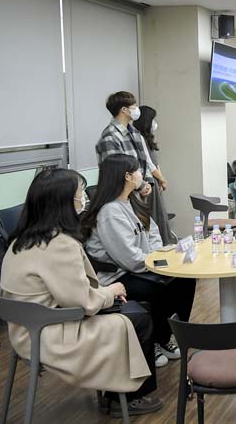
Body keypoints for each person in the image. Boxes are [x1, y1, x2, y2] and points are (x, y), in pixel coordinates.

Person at [0, 168, 162, 417]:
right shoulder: (59, 244)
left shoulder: (20, 241)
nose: (83, 199)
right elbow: (82, 302)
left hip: (25, 329)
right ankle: (127, 398)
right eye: (79, 195)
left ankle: (117, 394)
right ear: (63, 203)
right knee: (139, 316)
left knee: (134, 310)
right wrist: (111, 291)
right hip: (48, 334)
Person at [83, 154, 196, 369]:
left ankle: (163, 337)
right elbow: (128, 259)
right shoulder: (109, 212)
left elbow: (152, 231)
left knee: (185, 281)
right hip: (119, 276)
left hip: (142, 267)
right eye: (137, 171)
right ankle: (152, 341)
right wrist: (157, 261)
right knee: (159, 289)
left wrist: (158, 256)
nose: (141, 176)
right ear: (127, 176)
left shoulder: (130, 201)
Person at [95, 92, 173, 244]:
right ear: (124, 110)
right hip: (123, 195)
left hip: (139, 191)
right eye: (134, 106)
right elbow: (117, 171)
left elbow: (145, 162)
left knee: (150, 234)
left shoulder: (134, 132)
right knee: (133, 239)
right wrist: (141, 185)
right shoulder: (110, 137)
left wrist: (148, 183)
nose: (137, 109)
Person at [133, 105, 173, 244]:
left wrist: (162, 180)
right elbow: (149, 165)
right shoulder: (138, 138)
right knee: (156, 216)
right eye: (153, 119)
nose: (155, 123)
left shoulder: (146, 138)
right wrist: (162, 180)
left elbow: (155, 164)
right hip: (149, 182)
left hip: (155, 181)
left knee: (160, 215)